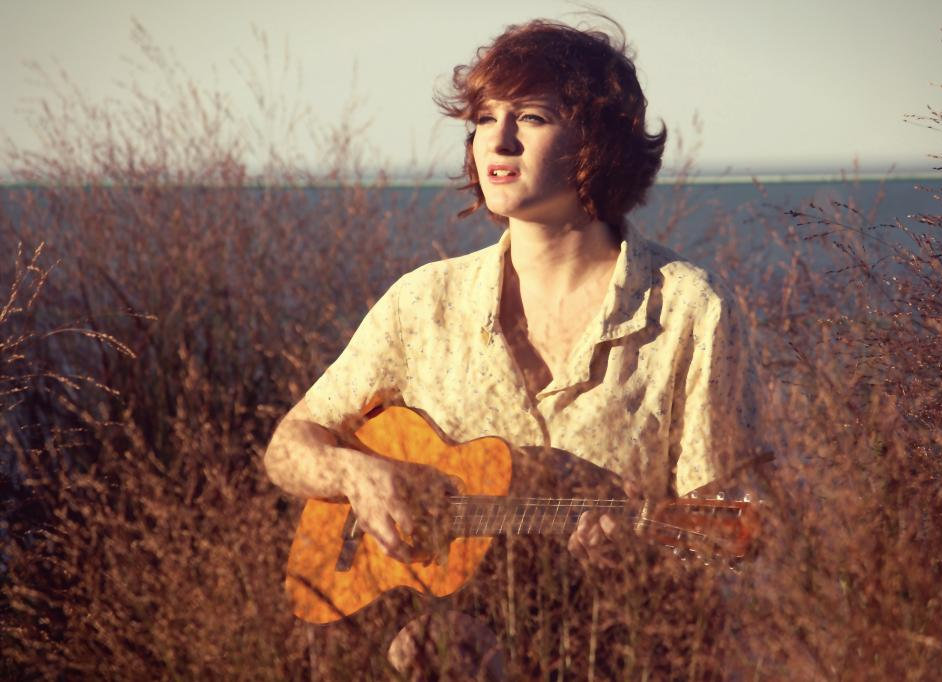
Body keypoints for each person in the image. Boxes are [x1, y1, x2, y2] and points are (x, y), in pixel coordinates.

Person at [264, 17, 757, 680]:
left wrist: (637, 558)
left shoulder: (691, 309)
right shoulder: (424, 302)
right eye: (484, 118)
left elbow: (727, 536)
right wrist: (359, 475)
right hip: (436, 627)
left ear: (598, 141)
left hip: (615, 644)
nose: (496, 140)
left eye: (530, 117)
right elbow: (289, 446)